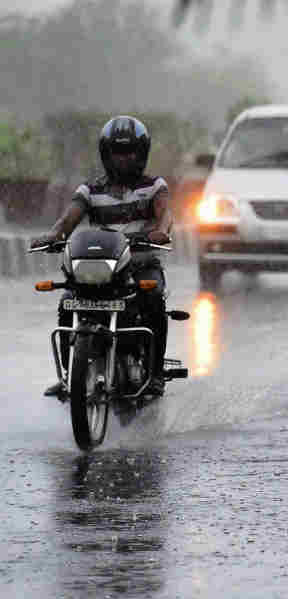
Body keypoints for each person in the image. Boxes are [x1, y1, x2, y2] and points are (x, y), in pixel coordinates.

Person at [32, 116, 172, 398]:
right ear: (106, 154)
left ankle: (155, 374)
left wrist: (161, 230)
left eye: (130, 152)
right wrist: (53, 235)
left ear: (142, 153)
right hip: (101, 267)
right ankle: (68, 376)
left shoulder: (155, 186)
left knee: (154, 296)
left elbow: (165, 214)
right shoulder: (89, 190)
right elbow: (67, 221)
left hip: (139, 265)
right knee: (66, 301)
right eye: (117, 153)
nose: (124, 159)